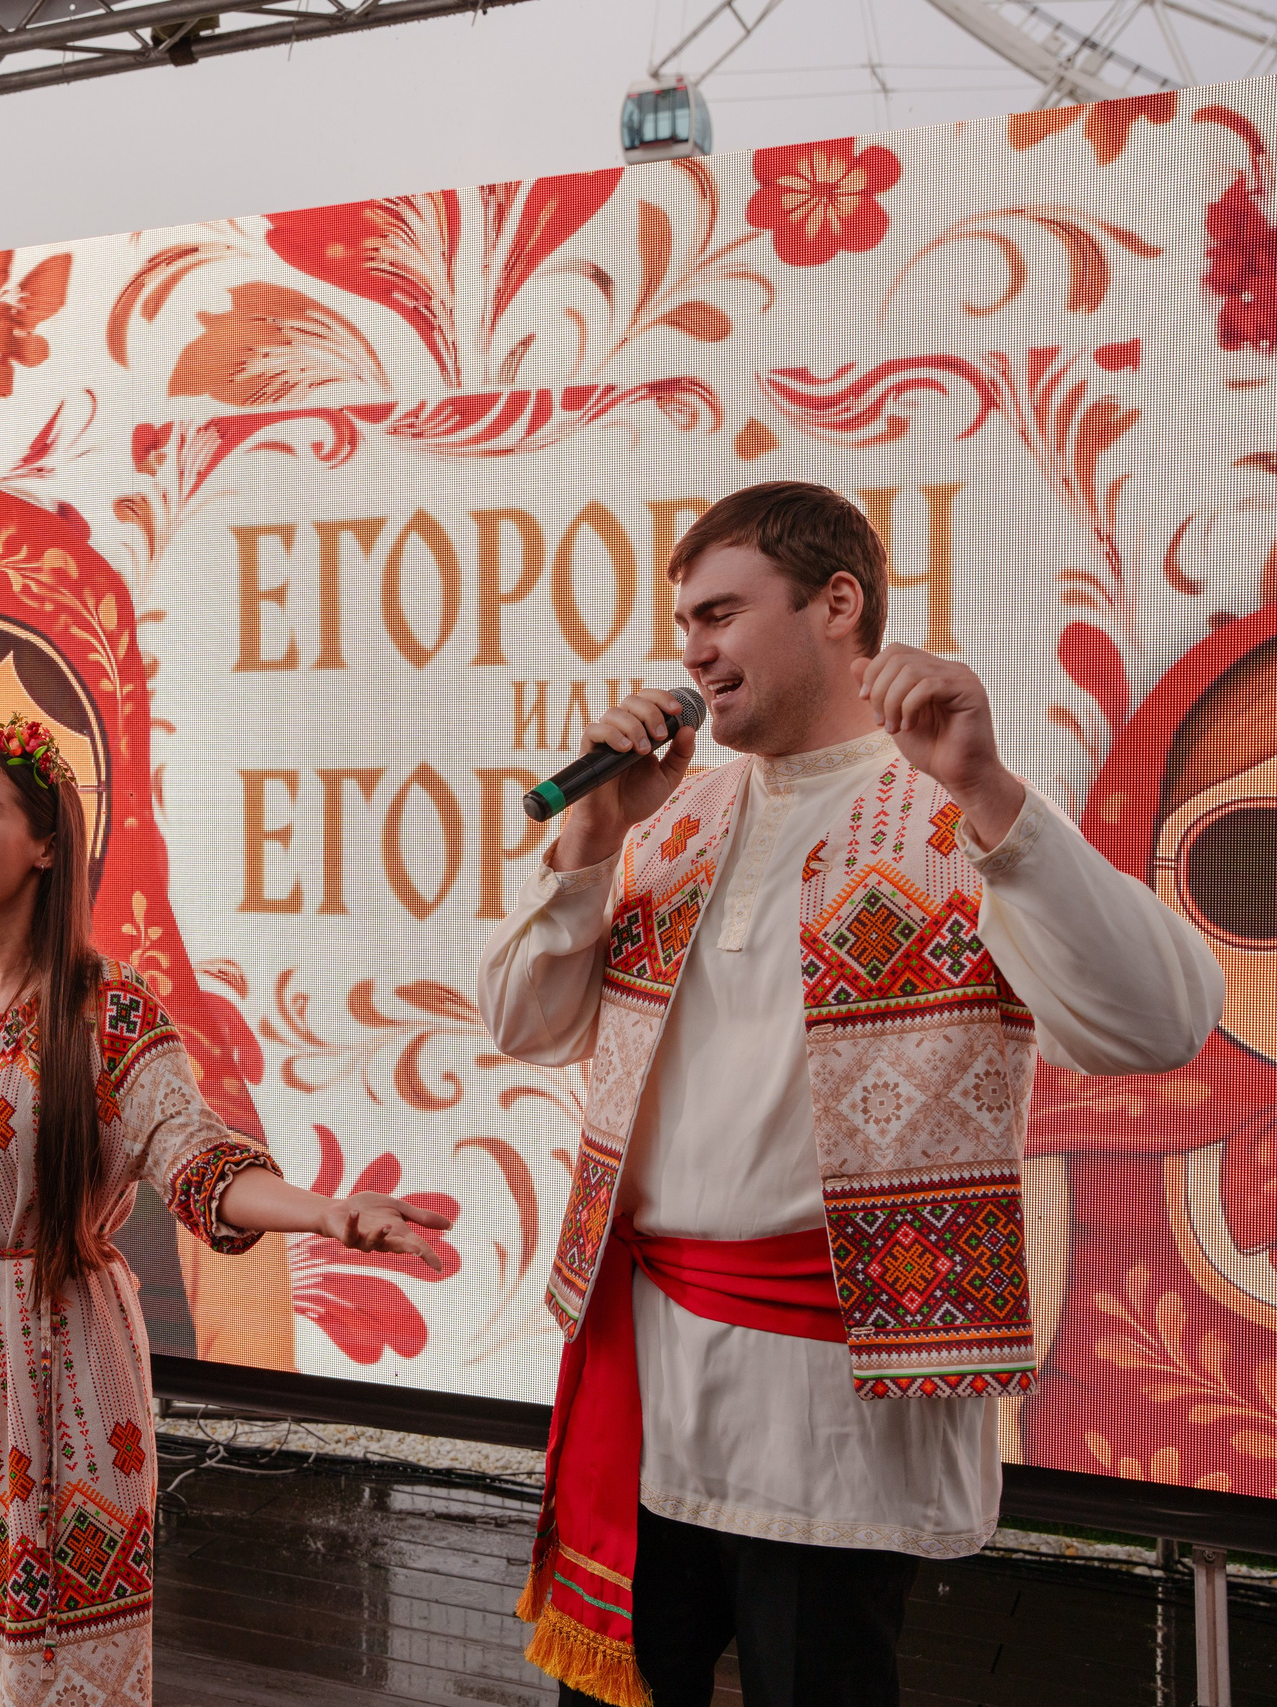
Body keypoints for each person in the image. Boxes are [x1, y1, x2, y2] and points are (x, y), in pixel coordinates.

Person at [479, 480, 1224, 1707]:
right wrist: (590, 842)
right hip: (647, 1386)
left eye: (719, 614)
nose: (693, 651)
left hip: (834, 1412)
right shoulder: (671, 819)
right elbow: (525, 1024)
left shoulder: (957, 810)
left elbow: (1160, 1022)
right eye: (683, 627)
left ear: (838, 603)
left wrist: (989, 794)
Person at [0, 711, 450, 1707]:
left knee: (42, 1648)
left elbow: (194, 1159)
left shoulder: (108, 1011)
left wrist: (326, 1214)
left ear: (45, 845)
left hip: (57, 1354)